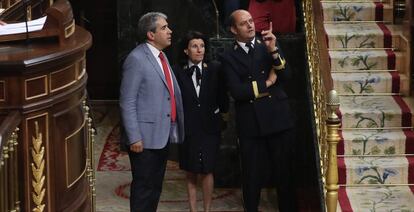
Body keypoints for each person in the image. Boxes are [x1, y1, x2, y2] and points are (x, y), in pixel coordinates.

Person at [219, 9, 296, 212]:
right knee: (252, 176)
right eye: (244, 23)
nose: (250, 25)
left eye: (251, 21)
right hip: (251, 124)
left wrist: (273, 51)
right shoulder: (228, 56)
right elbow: (237, 92)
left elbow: (287, 76)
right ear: (233, 29)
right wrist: (269, 82)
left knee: (284, 175)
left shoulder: (268, 45)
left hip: (278, 118)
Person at [119, 12, 185, 212]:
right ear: (151, 34)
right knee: (144, 189)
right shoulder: (136, 59)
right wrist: (134, 137)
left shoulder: (161, 56)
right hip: (144, 140)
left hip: (161, 135)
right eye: (164, 28)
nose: (169, 31)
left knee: (155, 188)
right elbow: (127, 101)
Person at [173, 31, 229, 212]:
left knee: (208, 169)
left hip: (210, 126)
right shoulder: (177, 71)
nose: (199, 50)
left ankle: (207, 209)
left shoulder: (215, 68)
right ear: (186, 50)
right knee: (191, 169)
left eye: (202, 46)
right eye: (195, 46)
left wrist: (222, 116)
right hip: (188, 127)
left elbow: (223, 97)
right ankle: (193, 209)